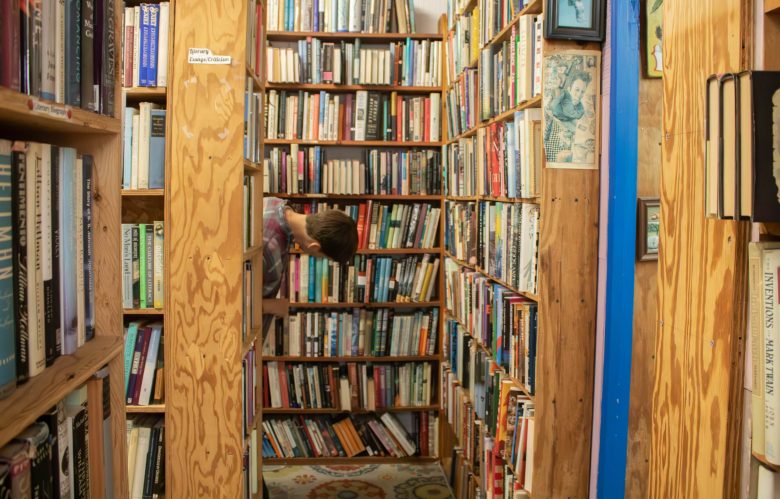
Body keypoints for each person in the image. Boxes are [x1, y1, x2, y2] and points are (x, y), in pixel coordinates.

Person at [260, 196, 358, 498]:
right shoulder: (270, 247)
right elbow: (234, 301)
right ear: (315, 248)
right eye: (322, 258)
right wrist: (274, 306)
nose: (318, 261)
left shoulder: (275, 203)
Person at [544, 70, 592, 163]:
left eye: (582, 92)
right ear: (570, 88)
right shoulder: (554, 107)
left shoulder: (581, 113)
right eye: (577, 90)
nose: (579, 95)